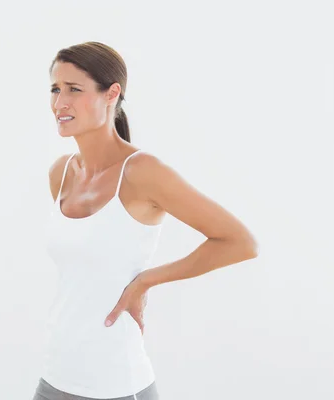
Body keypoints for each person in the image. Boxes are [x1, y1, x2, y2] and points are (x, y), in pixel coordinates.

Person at [33, 42, 258, 400]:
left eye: (74, 89)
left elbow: (240, 241)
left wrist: (146, 281)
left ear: (112, 93)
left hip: (116, 384)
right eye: (55, 89)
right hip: (55, 376)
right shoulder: (61, 173)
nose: (60, 102)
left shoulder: (142, 173)